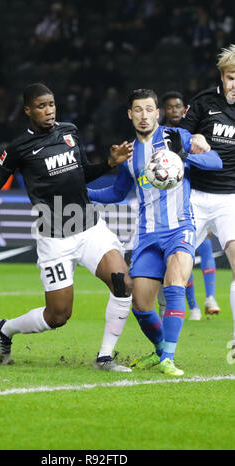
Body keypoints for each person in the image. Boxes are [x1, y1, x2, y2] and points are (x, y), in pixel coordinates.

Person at [0, 83, 135, 372]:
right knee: (58, 316)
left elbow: (83, 174)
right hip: (54, 237)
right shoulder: (19, 148)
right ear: (28, 110)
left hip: (89, 228)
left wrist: (108, 163)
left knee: (122, 282)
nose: (49, 111)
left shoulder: (69, 132)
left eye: (52, 104)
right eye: (42, 106)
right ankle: (5, 329)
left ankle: (104, 357)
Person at [87, 88, 222, 376]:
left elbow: (216, 162)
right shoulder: (130, 154)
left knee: (175, 285)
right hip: (147, 236)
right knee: (141, 305)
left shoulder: (176, 138)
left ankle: (168, 359)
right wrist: (84, 193)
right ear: (130, 114)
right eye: (138, 110)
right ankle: (161, 351)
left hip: (180, 229)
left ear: (157, 113)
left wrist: (185, 154)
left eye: (149, 109)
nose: (144, 115)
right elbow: (118, 193)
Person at [179, 44, 235, 356]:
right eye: (231, 77)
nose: (234, 84)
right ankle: (163, 340)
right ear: (222, 77)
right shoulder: (204, 103)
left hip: (231, 198)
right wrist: (192, 141)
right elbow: (177, 138)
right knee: (176, 270)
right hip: (197, 196)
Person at [161, 91, 220, 320]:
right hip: (168, 202)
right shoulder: (157, 135)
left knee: (199, 248)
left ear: (184, 109)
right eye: (170, 107)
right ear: (163, 111)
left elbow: (214, 160)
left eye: (178, 107)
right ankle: (192, 304)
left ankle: (205, 300)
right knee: (180, 254)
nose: (174, 111)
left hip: (194, 195)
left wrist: (187, 154)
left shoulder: (192, 135)